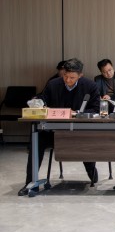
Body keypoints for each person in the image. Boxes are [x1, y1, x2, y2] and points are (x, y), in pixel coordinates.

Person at [18, 58, 100, 196]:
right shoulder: (53, 84)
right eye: (65, 76)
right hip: (54, 132)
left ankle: (91, 170)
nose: (68, 80)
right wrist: (38, 103)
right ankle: (30, 182)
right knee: (37, 139)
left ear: (80, 75)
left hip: (79, 131)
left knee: (87, 143)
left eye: (72, 77)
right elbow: (43, 99)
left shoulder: (90, 86)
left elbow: (96, 109)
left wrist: (77, 113)